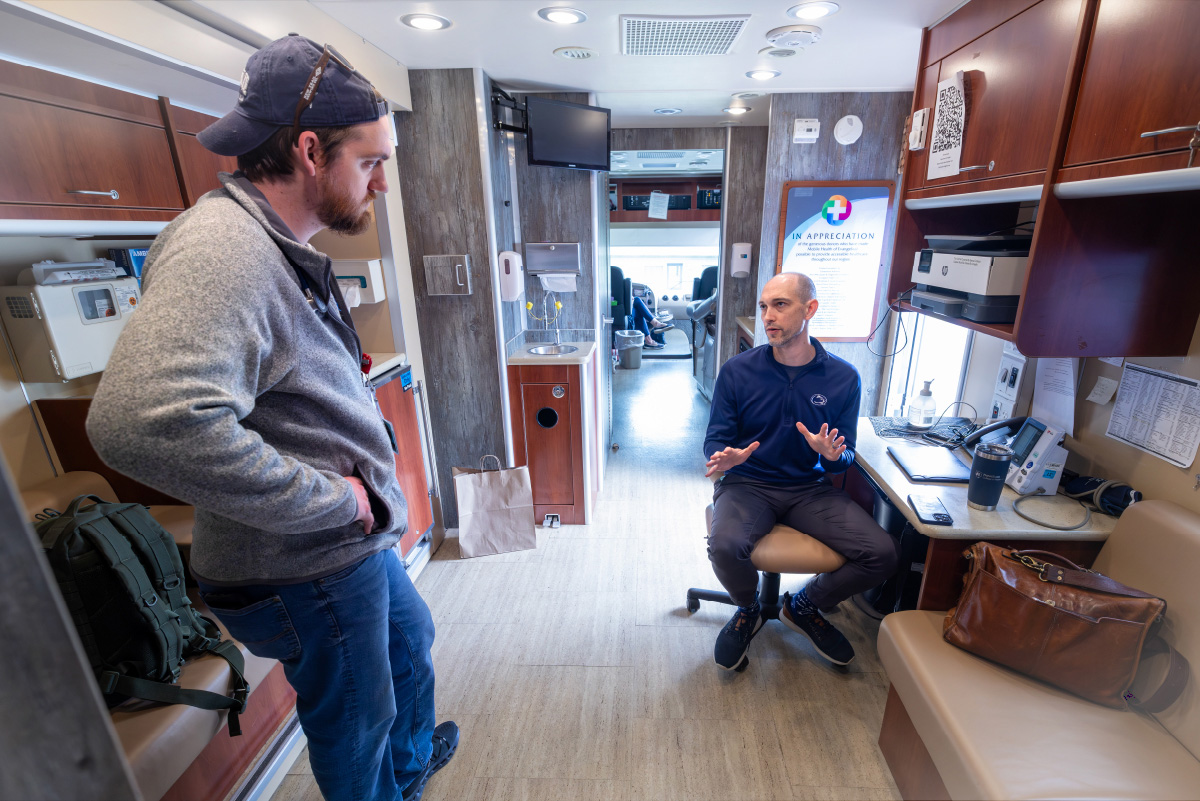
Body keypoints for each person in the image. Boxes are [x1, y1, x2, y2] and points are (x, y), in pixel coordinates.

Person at [86, 35, 455, 801]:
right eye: (371, 162)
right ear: (311, 149)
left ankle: (408, 767)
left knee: (411, 643)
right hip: (306, 563)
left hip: (348, 547)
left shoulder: (276, 245)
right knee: (357, 718)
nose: (382, 185)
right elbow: (139, 421)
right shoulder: (226, 251)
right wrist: (335, 499)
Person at [702, 273, 899, 671]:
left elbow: (845, 458)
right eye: (764, 306)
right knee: (725, 545)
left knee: (882, 554)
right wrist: (725, 458)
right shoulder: (738, 371)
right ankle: (747, 608)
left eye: (780, 305)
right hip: (748, 483)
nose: (768, 316)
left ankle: (807, 605)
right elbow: (715, 439)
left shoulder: (844, 378)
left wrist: (830, 456)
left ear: (810, 310)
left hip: (809, 488)